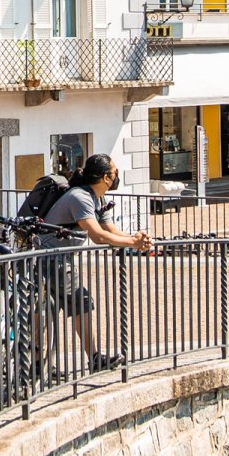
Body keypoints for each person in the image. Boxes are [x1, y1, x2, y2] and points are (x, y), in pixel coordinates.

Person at [37, 154, 150, 372]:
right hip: (52, 256)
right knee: (80, 302)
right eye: (115, 172)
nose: (117, 176)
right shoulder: (80, 197)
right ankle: (93, 359)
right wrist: (133, 244)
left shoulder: (97, 199)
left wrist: (136, 239)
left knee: (52, 309)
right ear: (105, 178)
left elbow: (111, 230)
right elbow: (98, 235)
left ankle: (40, 363)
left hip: (58, 257)